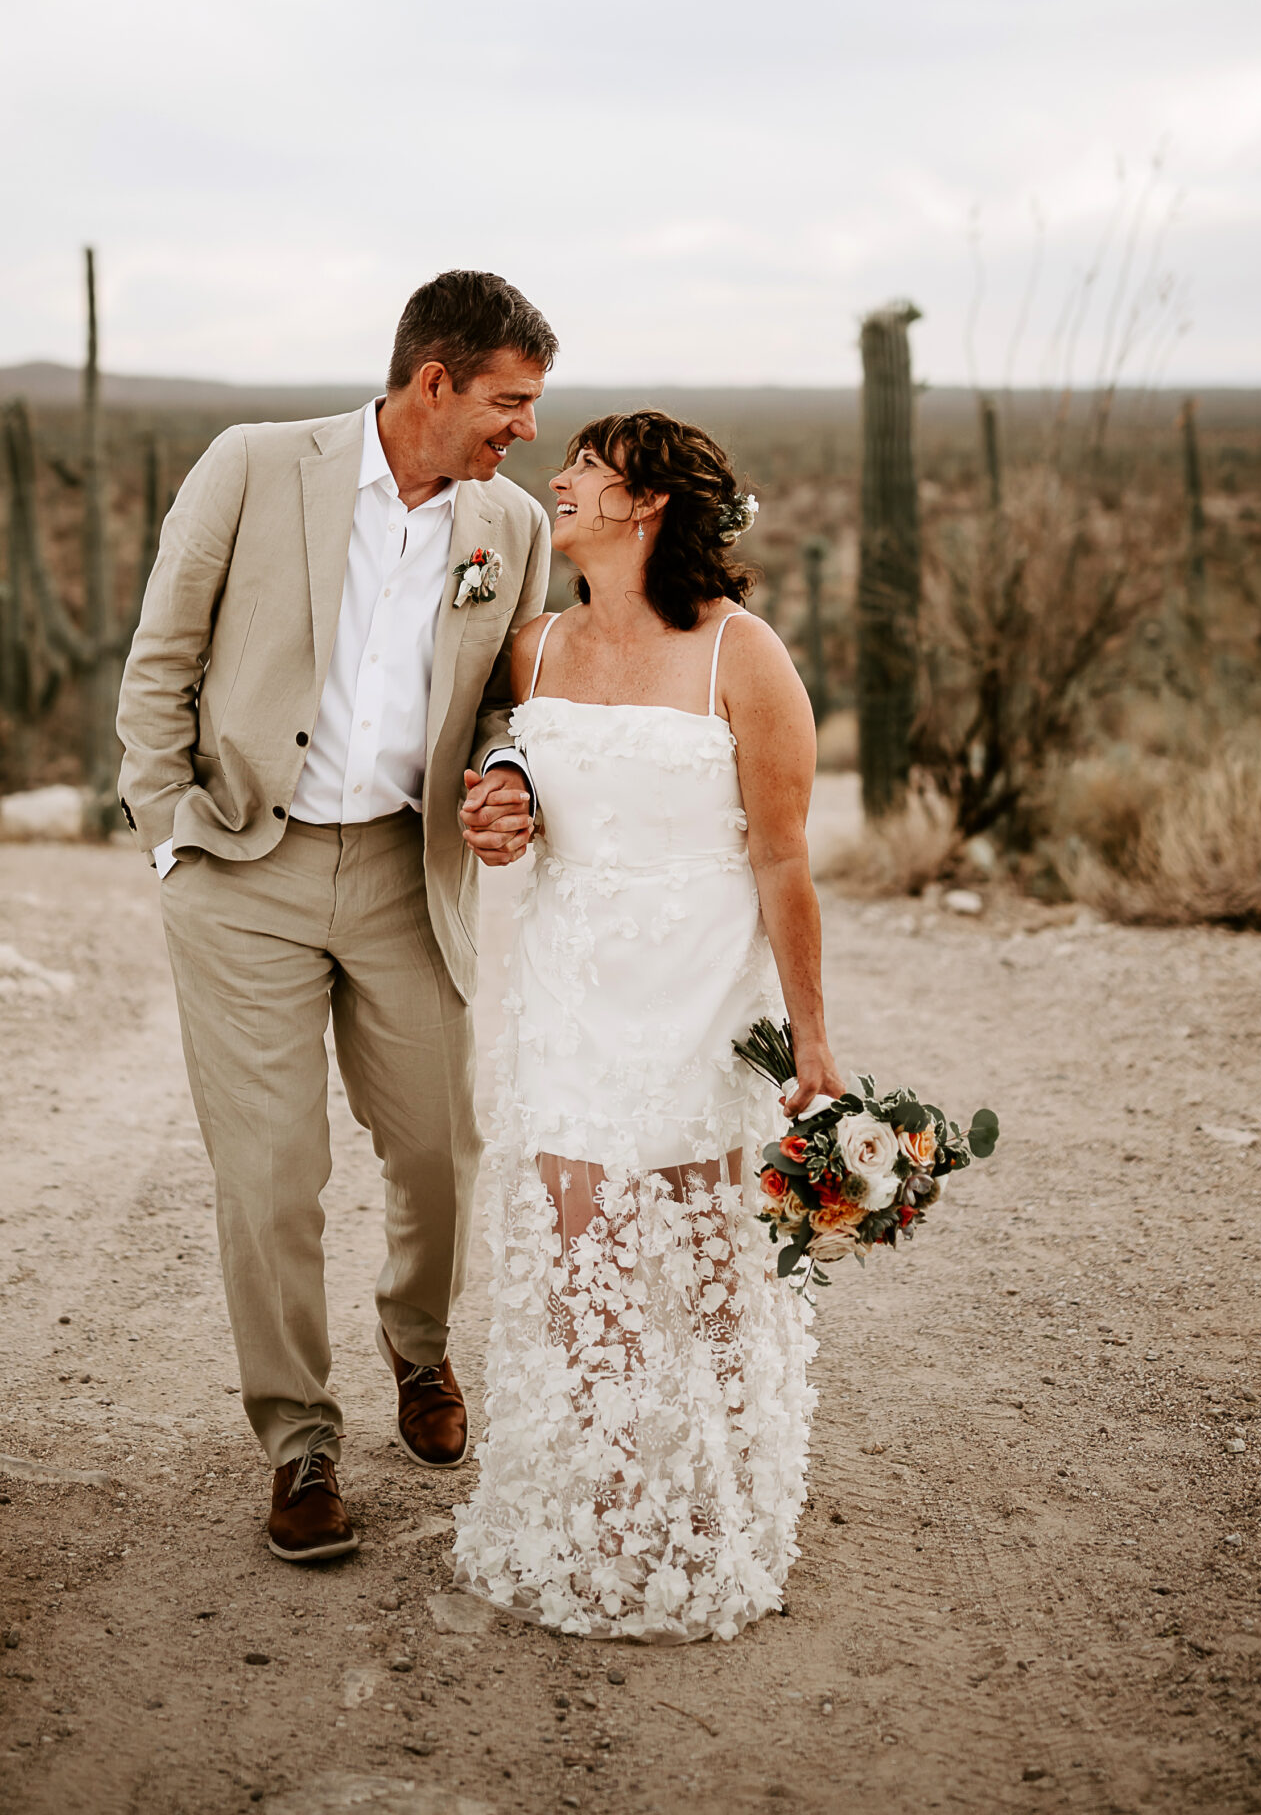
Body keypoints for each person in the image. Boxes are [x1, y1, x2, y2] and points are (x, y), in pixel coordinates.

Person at [116, 271, 552, 1564]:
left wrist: (509, 775)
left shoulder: (511, 526)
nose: (522, 427)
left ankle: (417, 1352)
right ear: (434, 383)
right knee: (269, 1176)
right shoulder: (252, 467)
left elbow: (506, 706)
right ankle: (298, 1440)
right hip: (243, 869)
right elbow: (161, 666)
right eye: (508, 401)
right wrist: (170, 847)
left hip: (407, 879)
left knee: (436, 1149)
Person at [450, 411, 841, 1641]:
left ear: (652, 504)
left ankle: (728, 1492)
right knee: (585, 1258)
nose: (557, 479)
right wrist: (501, 788)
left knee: (708, 1263)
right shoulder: (533, 646)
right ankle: (614, 1502)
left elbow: (784, 859)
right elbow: (495, 753)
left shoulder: (744, 655)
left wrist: (816, 1044)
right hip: (570, 989)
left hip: (704, 995)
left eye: (587, 470)